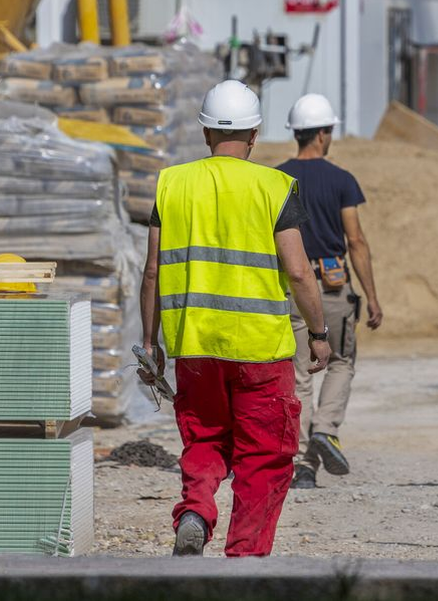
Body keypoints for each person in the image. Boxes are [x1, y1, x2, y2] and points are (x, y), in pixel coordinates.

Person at [139, 79, 330, 557]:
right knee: (264, 455)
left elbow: (151, 272)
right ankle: (244, 558)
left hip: (194, 346)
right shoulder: (275, 186)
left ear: (205, 133)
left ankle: (195, 512)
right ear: (255, 134)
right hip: (260, 351)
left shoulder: (172, 184)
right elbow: (300, 271)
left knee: (203, 439)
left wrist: (150, 341)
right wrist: (320, 334)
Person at [277, 93, 382, 489]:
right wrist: (371, 297)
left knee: (299, 374)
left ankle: (302, 464)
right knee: (340, 362)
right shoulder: (342, 180)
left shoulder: (277, 179)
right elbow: (355, 241)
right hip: (334, 289)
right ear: (322, 134)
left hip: (291, 288)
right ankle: (326, 428)